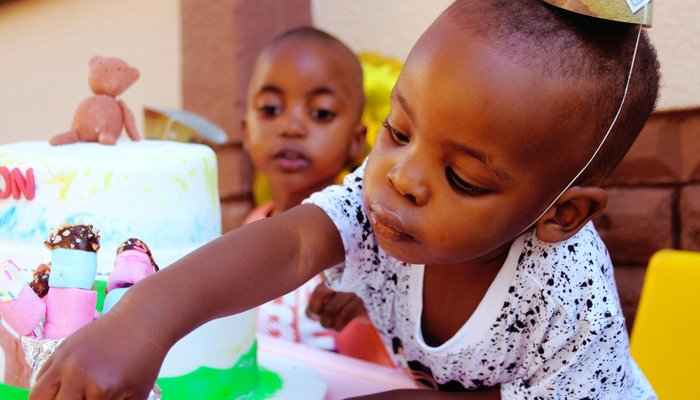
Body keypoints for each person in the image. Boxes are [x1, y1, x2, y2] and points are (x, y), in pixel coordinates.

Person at [29, 0, 660, 398]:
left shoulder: (569, 298)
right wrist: (141, 322)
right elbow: (295, 241)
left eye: (463, 178)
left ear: (560, 214)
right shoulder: (388, 195)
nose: (403, 178)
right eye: (399, 129)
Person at [241, 26, 392, 365]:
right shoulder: (248, 229)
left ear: (357, 140)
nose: (291, 127)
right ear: (246, 131)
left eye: (321, 112)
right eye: (270, 109)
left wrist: (375, 304)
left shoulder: (376, 242)